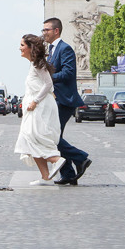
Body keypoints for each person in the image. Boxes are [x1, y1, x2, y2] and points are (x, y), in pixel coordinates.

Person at [41, 17, 90, 185]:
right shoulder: (51, 50)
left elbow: (69, 73)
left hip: (64, 100)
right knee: (54, 136)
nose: (44, 33)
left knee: (51, 136)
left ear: (56, 31)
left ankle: (81, 158)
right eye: (43, 30)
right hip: (56, 99)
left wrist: (48, 77)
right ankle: (68, 173)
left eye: (46, 30)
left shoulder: (65, 48)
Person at [13, 34, 65, 186]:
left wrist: (35, 101)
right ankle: (45, 177)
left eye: (22, 45)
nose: (19, 48)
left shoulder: (38, 64)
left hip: (39, 106)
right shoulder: (34, 64)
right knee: (30, 139)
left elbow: (48, 84)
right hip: (36, 106)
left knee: (32, 136)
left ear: (30, 48)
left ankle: (56, 159)